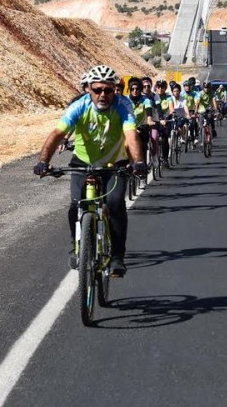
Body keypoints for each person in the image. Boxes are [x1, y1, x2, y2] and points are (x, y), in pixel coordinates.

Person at [34, 65, 147, 278]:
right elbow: (58, 133)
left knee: (114, 204)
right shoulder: (79, 106)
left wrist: (138, 161)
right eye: (97, 90)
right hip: (82, 163)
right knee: (76, 204)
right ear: (88, 89)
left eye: (108, 90)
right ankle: (76, 247)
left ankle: (117, 258)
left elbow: (131, 135)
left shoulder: (123, 105)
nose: (103, 94)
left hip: (114, 165)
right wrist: (43, 161)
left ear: (115, 89)